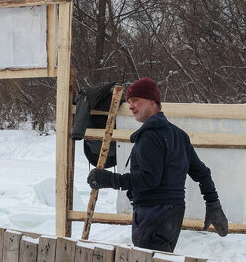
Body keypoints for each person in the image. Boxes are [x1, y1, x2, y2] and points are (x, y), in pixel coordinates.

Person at [86, 77, 228, 252]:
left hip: (153, 212)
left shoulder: (150, 136)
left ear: (153, 101)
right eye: (130, 102)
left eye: (136, 100)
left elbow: (148, 180)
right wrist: (213, 203)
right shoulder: (178, 135)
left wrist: (109, 179)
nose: (131, 106)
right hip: (173, 213)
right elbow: (203, 173)